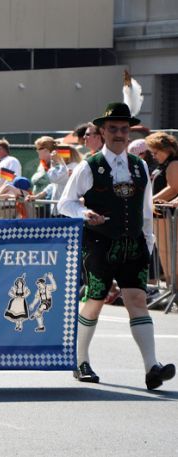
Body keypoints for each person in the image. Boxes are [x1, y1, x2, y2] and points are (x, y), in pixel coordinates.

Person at [58, 102, 175, 390]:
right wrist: (84, 214)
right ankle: (81, 360)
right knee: (96, 300)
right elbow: (65, 203)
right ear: (103, 131)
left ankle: (152, 367)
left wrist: (147, 244)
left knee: (136, 300)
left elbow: (146, 211)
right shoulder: (90, 165)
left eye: (124, 129)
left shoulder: (140, 166)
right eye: (113, 129)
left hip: (133, 244)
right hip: (99, 242)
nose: (119, 134)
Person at [145, 132, 178, 288]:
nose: (153, 155)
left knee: (170, 251)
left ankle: (175, 287)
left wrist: (148, 202)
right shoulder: (165, 164)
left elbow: (173, 188)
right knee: (164, 252)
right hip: (160, 213)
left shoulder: (173, 163)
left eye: (155, 152)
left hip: (168, 214)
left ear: (166, 149)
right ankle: (172, 287)